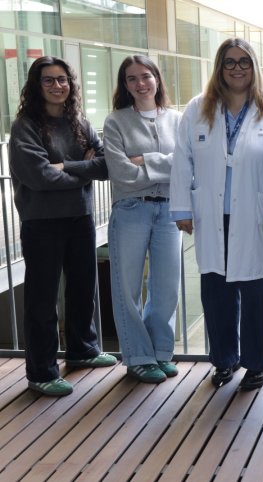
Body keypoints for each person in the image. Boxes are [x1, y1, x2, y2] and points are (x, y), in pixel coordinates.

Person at [170, 38, 263, 390]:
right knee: (217, 296)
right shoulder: (197, 108)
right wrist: (181, 207)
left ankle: (257, 363)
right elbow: (181, 160)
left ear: (254, 67)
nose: (237, 68)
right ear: (219, 68)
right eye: (229, 62)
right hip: (211, 217)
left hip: (256, 217)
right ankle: (224, 361)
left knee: (257, 297)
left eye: (244, 62)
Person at [9, 56, 115, 396]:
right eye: (49, 80)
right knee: (42, 298)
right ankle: (41, 371)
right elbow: (39, 176)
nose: (57, 86)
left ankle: (82, 350)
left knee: (83, 288)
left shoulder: (79, 122)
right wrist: (79, 169)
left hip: (80, 217)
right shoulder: (25, 126)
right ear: (35, 86)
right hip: (41, 222)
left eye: (62, 79)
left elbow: (104, 165)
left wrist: (64, 165)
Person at [103, 55, 182, 383]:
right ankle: (137, 356)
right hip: (131, 210)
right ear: (125, 85)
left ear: (157, 79)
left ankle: (160, 353)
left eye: (146, 76)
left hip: (169, 210)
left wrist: (145, 161)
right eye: (132, 78)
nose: (140, 83)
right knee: (127, 287)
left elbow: (186, 163)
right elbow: (121, 174)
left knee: (166, 286)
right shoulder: (115, 121)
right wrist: (164, 166)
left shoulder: (178, 120)